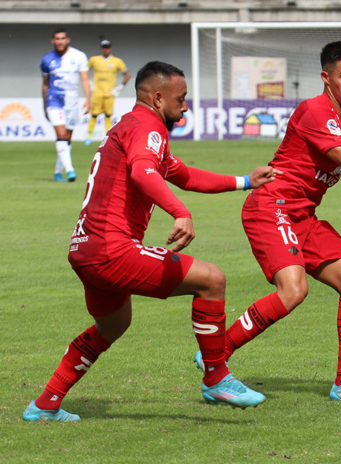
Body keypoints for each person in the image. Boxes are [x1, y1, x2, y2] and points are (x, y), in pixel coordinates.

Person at [23, 61, 281, 422]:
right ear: (159, 99)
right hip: (113, 248)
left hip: (84, 250)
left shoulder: (130, 126)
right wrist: (180, 212)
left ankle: (46, 404)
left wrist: (245, 181)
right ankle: (216, 377)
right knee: (212, 280)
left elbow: (186, 175)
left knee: (112, 326)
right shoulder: (148, 128)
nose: (186, 106)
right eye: (182, 98)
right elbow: (142, 173)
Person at [194, 41, 341, 402]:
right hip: (271, 206)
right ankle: (215, 356)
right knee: (293, 290)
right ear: (326, 78)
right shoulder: (314, 111)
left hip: (303, 216)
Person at [41, 28, 91, 182]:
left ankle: (57, 172)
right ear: (52, 41)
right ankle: (70, 170)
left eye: (62, 38)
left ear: (67, 40)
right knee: (61, 135)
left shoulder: (79, 56)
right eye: (57, 38)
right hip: (54, 100)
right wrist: (44, 106)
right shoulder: (46, 60)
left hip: (72, 101)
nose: (59, 41)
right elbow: (45, 84)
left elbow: (84, 78)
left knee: (67, 139)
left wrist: (88, 98)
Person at [85, 39, 130, 145]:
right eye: (104, 48)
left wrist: (119, 87)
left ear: (110, 48)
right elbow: (84, 71)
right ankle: (89, 137)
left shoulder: (116, 61)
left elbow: (127, 75)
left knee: (108, 115)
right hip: (97, 92)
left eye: (107, 47)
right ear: (101, 49)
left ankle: (107, 137)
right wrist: (89, 83)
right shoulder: (94, 60)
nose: (105, 50)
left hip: (110, 93)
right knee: (94, 115)